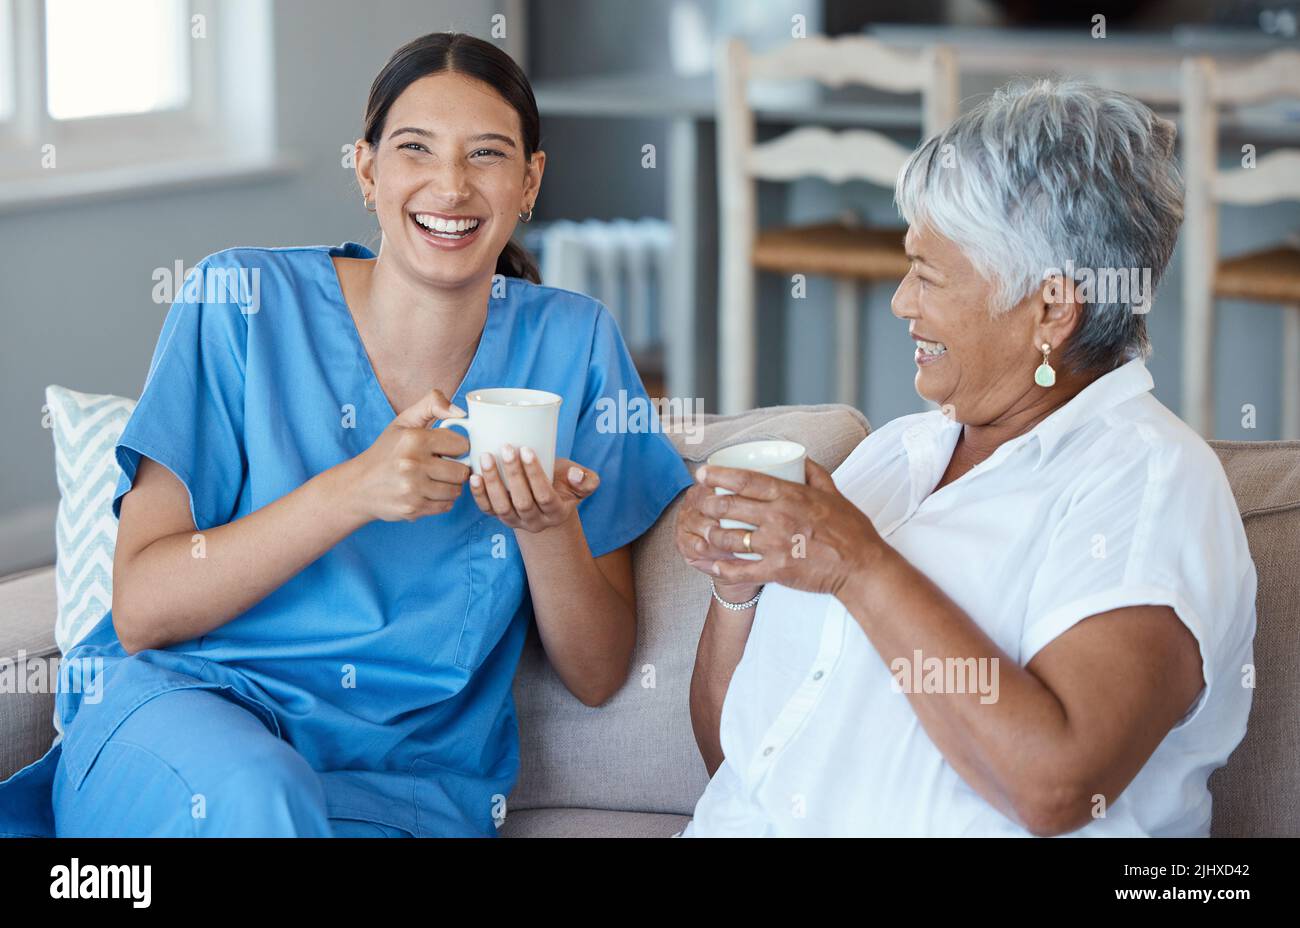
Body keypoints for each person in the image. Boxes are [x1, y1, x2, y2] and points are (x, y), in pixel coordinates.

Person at [0, 32, 691, 838]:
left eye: (488, 155)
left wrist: (547, 530)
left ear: (530, 180)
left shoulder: (576, 345)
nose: (451, 184)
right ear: (367, 170)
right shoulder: (241, 300)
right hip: (191, 727)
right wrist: (353, 490)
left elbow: (601, 673)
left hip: (403, 786)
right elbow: (143, 610)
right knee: (259, 798)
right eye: (415, 149)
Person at [675, 80, 1257, 837]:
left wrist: (858, 564)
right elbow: (735, 759)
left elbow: (1057, 789)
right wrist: (737, 588)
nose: (900, 303)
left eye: (929, 274)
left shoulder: (1149, 487)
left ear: (1050, 308)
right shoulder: (894, 456)